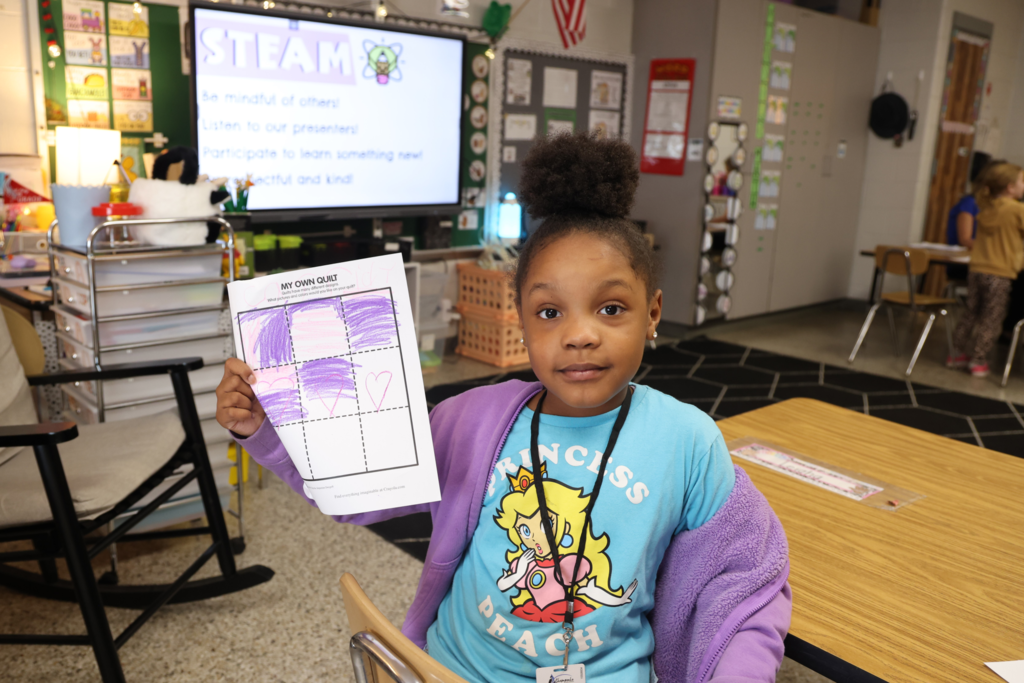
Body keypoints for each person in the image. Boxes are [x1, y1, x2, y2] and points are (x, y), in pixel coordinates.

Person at [216, 132, 791, 683]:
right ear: (519, 318)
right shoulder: (472, 420)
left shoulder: (687, 441)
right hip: (453, 669)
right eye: (549, 312)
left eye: (611, 308)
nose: (580, 335)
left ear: (653, 313)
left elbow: (746, 581)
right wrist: (265, 428)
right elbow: (351, 491)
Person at [948, 162, 1024, 377]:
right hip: (1000, 273)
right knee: (992, 317)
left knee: (971, 312)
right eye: (1022, 181)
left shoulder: (985, 208)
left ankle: (956, 353)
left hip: (977, 270)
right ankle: (978, 361)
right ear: (1010, 187)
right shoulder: (1017, 210)